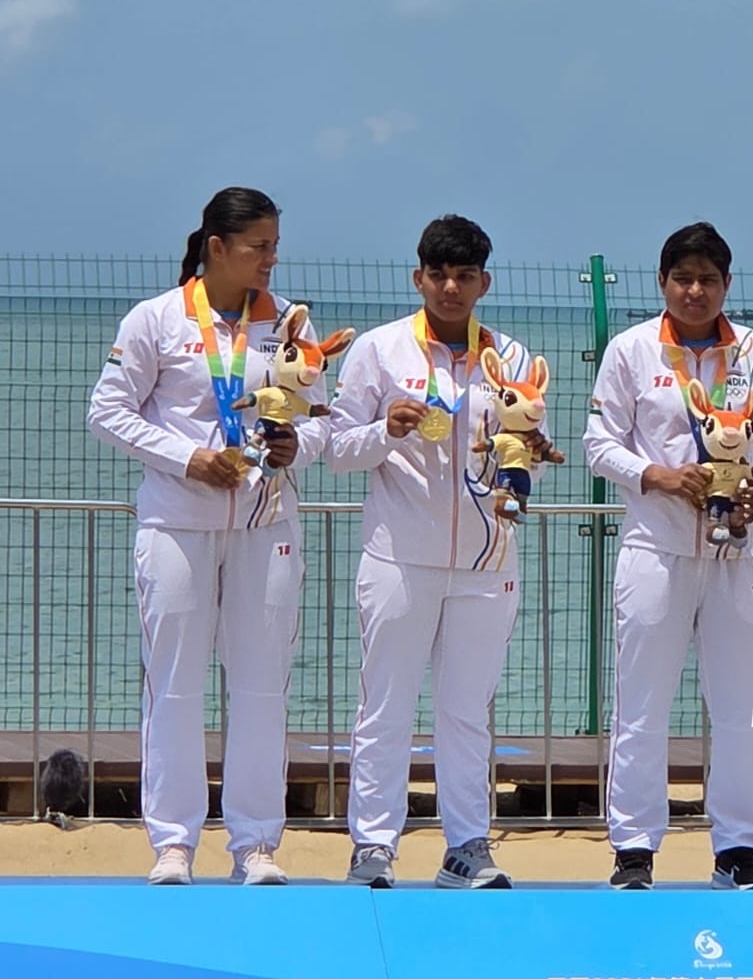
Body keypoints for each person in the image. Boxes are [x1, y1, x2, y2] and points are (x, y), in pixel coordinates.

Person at [88, 187, 330, 885]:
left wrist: (299, 447)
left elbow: (323, 417)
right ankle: (173, 842)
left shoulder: (288, 322)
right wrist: (185, 456)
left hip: (266, 523)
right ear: (216, 247)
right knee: (174, 685)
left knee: (262, 686)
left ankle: (256, 843)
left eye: (276, 245)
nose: (270, 259)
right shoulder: (156, 319)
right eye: (258, 246)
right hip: (177, 522)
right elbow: (106, 412)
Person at [328, 214, 549, 889]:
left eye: (464, 275)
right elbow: (335, 451)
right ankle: (373, 845)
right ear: (418, 277)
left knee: (466, 711)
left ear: (483, 281)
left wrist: (530, 465)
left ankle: (468, 846)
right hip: (399, 558)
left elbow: (529, 450)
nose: (450, 287)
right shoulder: (379, 350)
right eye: (438, 274)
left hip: (486, 564)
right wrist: (384, 431)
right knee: (385, 707)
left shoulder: (510, 358)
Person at [584, 222, 753, 891]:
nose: (695, 290)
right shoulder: (631, 350)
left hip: (740, 549)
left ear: (727, 284)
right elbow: (597, 442)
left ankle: (737, 848)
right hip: (658, 548)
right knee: (641, 705)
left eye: (708, 279)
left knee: (740, 707)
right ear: (663, 283)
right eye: (683, 278)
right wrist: (660, 476)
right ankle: (635, 848)